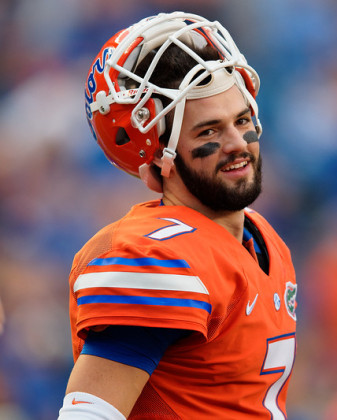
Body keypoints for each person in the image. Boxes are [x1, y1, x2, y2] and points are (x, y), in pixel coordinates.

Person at [58, 11, 298, 419]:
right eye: (209, 132)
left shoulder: (262, 238)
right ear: (159, 157)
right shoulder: (159, 257)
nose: (238, 143)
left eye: (242, 120)